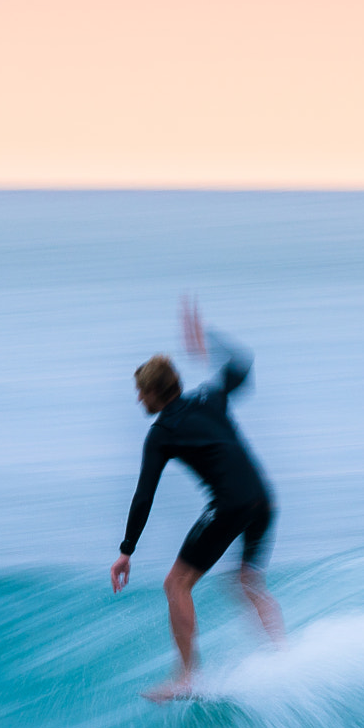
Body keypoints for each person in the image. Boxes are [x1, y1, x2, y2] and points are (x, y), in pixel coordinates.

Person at [111, 299, 286, 701]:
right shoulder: (211, 397)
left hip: (230, 505)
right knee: (246, 580)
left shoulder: (162, 432)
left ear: (155, 391)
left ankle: (188, 677)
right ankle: (283, 656)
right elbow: (242, 363)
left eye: (141, 393)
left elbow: (144, 495)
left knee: (176, 584)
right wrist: (205, 341)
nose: (139, 400)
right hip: (263, 499)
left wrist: (126, 551)